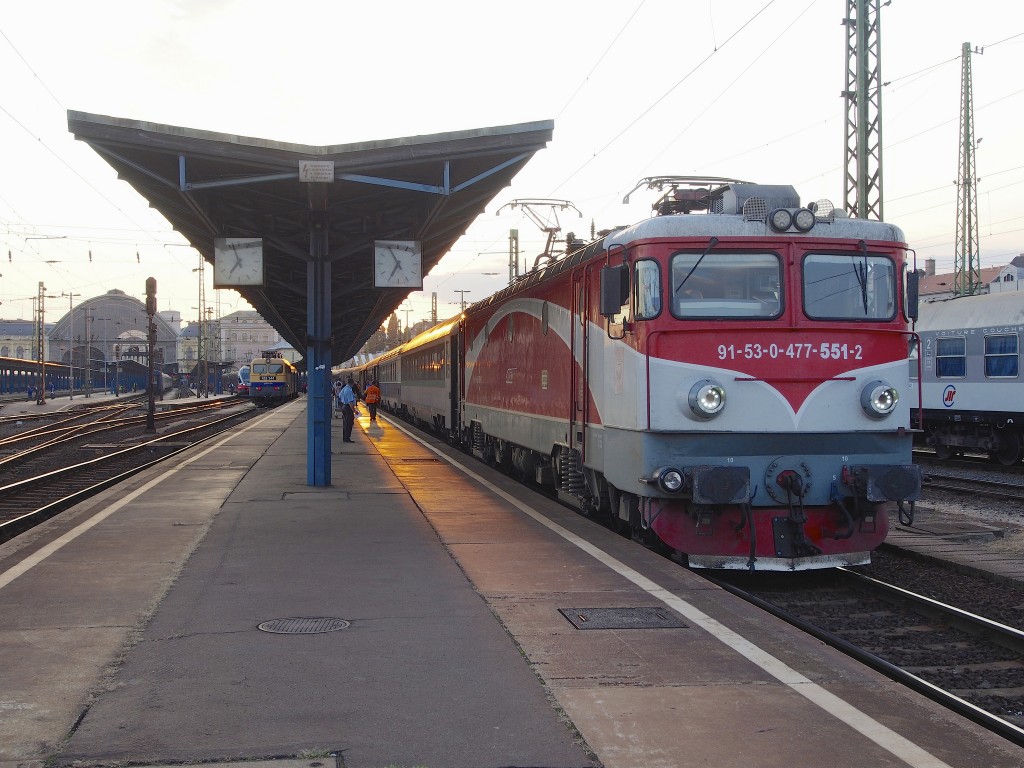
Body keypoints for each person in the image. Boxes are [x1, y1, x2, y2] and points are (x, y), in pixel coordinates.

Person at [339, 377, 357, 442]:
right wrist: (354, 410)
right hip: (348, 408)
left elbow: (340, 395)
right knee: (349, 423)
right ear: (352, 383)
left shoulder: (344, 389)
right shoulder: (349, 390)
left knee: (346, 423)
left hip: (344, 406)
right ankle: (347, 438)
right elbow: (350, 402)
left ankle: (345, 437)